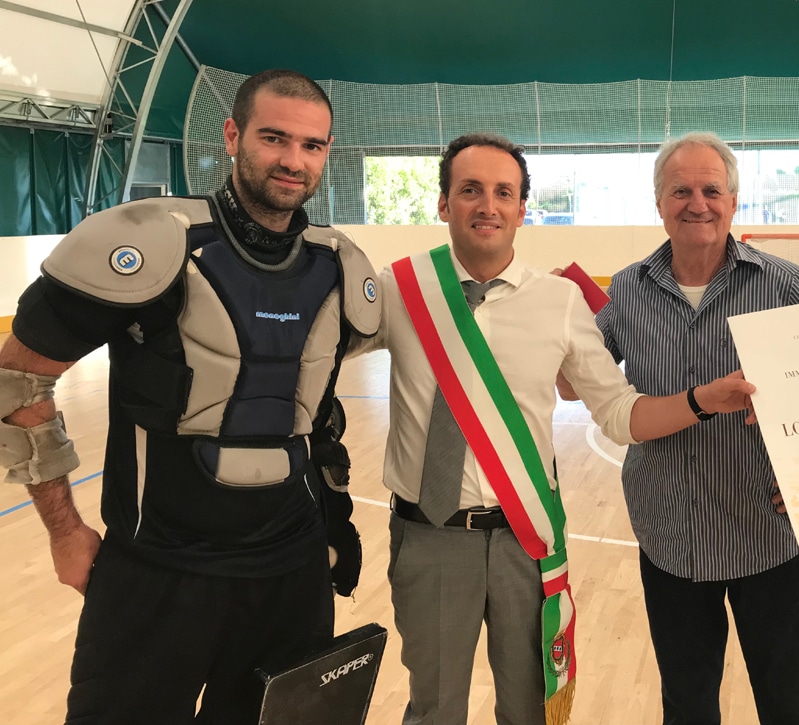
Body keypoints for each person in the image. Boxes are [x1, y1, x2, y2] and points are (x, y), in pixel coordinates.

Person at [0, 69, 378, 724]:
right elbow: (17, 379)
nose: (293, 160)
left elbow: (312, 412)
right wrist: (64, 530)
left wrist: (334, 522)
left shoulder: (338, 268)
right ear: (233, 136)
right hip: (155, 577)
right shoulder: (153, 242)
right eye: (273, 138)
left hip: (289, 578)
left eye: (312, 145)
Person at [348, 131, 755, 725]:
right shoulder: (398, 289)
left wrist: (702, 399)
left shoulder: (560, 301)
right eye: (470, 191)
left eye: (503, 193)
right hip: (430, 538)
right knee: (433, 710)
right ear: (443, 204)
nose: (488, 205)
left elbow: (618, 412)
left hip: (525, 542)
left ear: (521, 209)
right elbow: (316, 352)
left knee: (530, 711)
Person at [592, 131, 799, 724]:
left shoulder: (785, 284)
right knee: (688, 702)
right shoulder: (627, 290)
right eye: (680, 191)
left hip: (768, 530)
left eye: (711, 190)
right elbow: (581, 379)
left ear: (734, 200)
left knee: (791, 701)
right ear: (659, 202)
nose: (697, 203)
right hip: (669, 534)